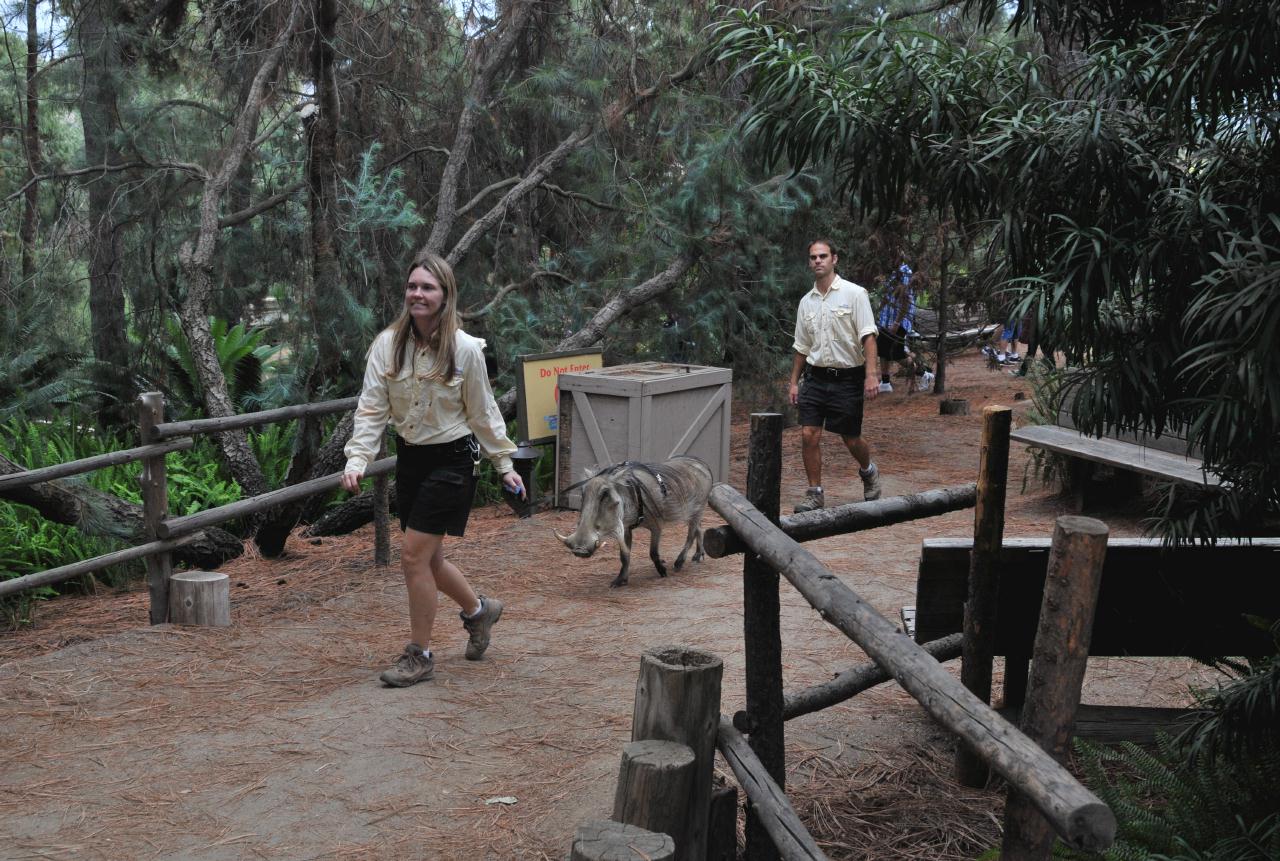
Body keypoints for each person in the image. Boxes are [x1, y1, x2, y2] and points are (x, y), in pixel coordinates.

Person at [343, 251, 526, 688]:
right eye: (412, 286)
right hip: (412, 461)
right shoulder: (388, 345)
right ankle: (480, 612)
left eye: (428, 287)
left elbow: (483, 413)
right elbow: (371, 408)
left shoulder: (464, 350)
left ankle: (419, 655)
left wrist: (504, 463)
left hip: (453, 460)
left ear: (445, 296)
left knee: (411, 557)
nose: (417, 294)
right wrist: (357, 459)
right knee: (430, 558)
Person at [787, 239, 882, 513]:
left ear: (834, 259)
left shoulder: (854, 294)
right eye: (813, 257)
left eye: (823, 256)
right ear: (809, 262)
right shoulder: (806, 302)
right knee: (809, 434)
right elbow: (801, 347)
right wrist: (794, 382)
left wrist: (871, 375)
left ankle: (868, 470)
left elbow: (868, 336)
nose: (818, 261)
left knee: (850, 437)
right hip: (815, 378)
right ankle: (815, 493)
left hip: (848, 377)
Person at [875, 259, 916, 393]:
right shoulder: (891, 272)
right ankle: (885, 383)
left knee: (897, 355)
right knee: (882, 350)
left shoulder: (905, 272)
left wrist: (897, 322)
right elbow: (888, 296)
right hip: (885, 320)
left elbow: (906, 300)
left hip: (898, 321)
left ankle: (923, 372)